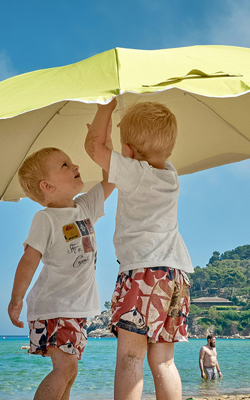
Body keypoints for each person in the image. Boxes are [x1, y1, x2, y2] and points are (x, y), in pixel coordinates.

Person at [85, 99, 192, 400]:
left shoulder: (135, 173)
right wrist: (119, 145)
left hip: (143, 273)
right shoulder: (170, 175)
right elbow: (111, 158)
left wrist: (105, 109)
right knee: (164, 361)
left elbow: (95, 149)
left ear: (129, 153)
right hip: (176, 276)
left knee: (130, 358)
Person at [8, 144, 115, 400]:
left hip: (77, 309)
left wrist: (105, 139)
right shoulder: (46, 219)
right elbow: (29, 260)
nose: (75, 166)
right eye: (65, 165)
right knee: (65, 367)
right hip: (55, 305)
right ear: (47, 186)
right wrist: (16, 299)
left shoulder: (85, 207)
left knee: (71, 370)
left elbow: (112, 177)